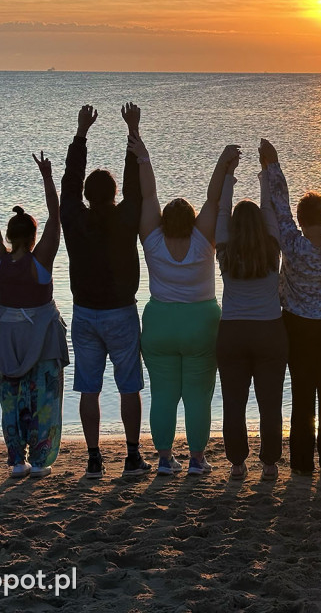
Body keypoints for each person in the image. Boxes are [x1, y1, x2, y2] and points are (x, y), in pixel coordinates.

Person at [131, 133, 236, 476]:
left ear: (163, 220)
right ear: (191, 220)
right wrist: (222, 163)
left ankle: (164, 459)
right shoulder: (203, 238)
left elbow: (148, 193)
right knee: (197, 395)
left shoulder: (152, 238)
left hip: (159, 322)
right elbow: (214, 199)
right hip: (200, 323)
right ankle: (196, 459)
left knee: (163, 394)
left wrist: (142, 149)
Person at [61, 103, 151, 479]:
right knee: (129, 387)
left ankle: (95, 458)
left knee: (89, 389)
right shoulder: (126, 215)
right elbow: (135, 183)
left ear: (87, 194)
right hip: (120, 312)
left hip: (84, 314)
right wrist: (133, 130)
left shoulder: (73, 216)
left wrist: (82, 133)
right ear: (113, 194)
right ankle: (132, 457)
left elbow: (69, 180)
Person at [262, 136, 321, 476]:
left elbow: (279, 203)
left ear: (301, 220)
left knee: (302, 395)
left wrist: (272, 165)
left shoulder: (292, 242)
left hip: (298, 325)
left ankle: (301, 465)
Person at [0, 151, 69, 479]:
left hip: (7, 339)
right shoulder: (40, 261)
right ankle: (41, 461)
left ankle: (17, 461)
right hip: (42, 340)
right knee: (44, 402)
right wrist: (47, 177)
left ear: (9, 236)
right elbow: (55, 217)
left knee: (11, 403)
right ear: (33, 237)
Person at [214, 140, 287, 480]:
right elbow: (270, 207)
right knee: (270, 402)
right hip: (270, 331)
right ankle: (270, 464)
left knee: (234, 403)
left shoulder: (225, 250)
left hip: (232, 332)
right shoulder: (272, 247)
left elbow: (221, 210)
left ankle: (238, 464)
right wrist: (265, 170)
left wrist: (229, 173)